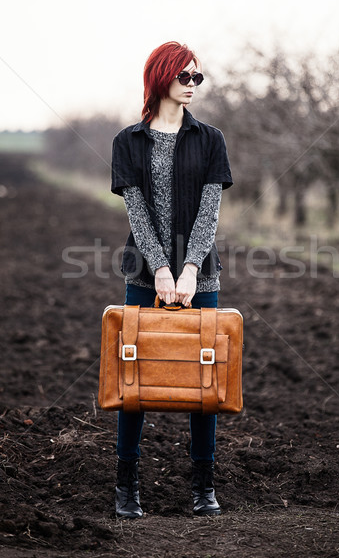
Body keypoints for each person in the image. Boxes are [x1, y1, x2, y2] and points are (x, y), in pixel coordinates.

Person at [110, 41, 233, 518]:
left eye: (197, 77)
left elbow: (210, 212)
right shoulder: (128, 141)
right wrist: (161, 268)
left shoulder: (211, 139)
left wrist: (187, 269)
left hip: (200, 277)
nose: (192, 84)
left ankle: (204, 486)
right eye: (185, 76)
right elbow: (137, 212)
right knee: (135, 381)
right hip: (144, 275)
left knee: (205, 379)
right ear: (161, 76)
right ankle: (127, 486)